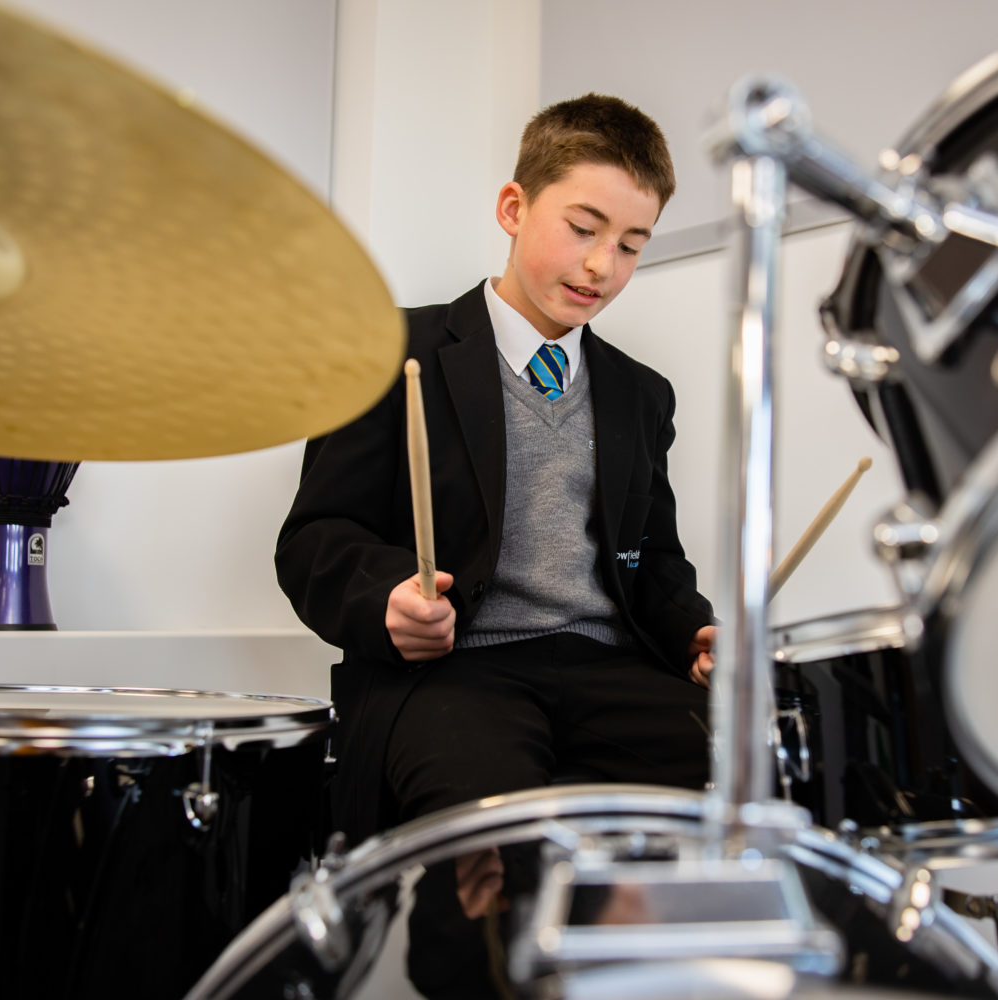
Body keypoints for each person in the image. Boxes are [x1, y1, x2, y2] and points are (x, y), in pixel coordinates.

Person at [276, 93, 716, 848]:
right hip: (454, 675)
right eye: (583, 229)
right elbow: (316, 538)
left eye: (631, 244)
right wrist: (388, 601)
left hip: (606, 665)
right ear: (514, 208)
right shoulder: (388, 352)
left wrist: (696, 634)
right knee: (491, 845)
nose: (600, 265)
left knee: (756, 788)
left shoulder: (642, 395)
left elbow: (654, 564)